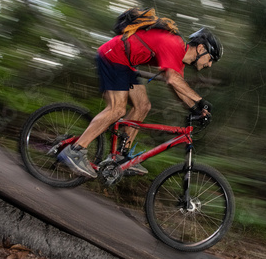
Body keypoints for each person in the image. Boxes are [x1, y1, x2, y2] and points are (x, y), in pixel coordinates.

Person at [58, 26, 223, 178]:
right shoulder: (175, 44)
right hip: (113, 56)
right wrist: (201, 101)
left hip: (126, 64)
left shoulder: (179, 59)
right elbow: (173, 80)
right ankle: (75, 150)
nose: (209, 64)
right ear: (201, 48)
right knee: (117, 110)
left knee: (143, 106)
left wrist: (195, 108)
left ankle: (120, 156)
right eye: (210, 59)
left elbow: (178, 87)